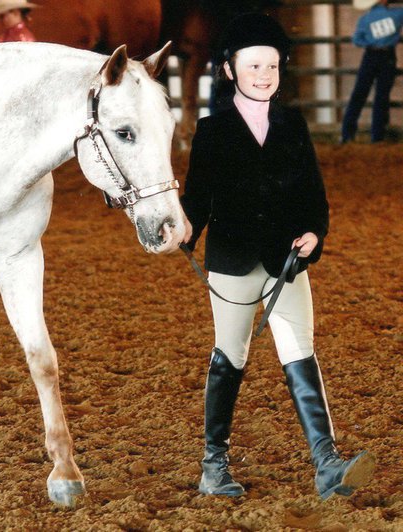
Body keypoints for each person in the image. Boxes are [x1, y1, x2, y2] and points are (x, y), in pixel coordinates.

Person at [181, 12, 376, 500]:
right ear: (230, 71)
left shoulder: (294, 126)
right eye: (253, 66)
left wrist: (315, 232)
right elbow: (195, 203)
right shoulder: (211, 132)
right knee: (230, 357)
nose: (264, 75)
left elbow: (315, 197)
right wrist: (180, 231)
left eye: (271, 66)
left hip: (286, 261)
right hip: (231, 263)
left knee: (302, 355)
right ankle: (213, 465)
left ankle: (327, 463)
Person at [341, 0, 403, 143]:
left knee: (359, 94)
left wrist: (371, 42)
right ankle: (377, 137)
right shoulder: (398, 14)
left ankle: (347, 135)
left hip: (370, 56)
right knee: (381, 97)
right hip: (388, 57)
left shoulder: (365, 18)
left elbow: (357, 40)